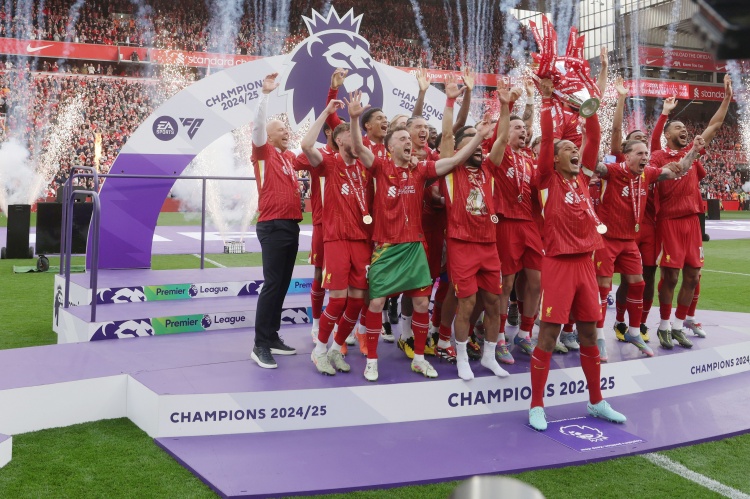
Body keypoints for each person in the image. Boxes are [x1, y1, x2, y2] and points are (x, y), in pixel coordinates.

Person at [348, 90, 492, 382]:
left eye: (408, 139)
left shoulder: (421, 170)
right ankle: (372, 360)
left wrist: (478, 137)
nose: (407, 142)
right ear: (390, 147)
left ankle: (419, 359)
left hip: (415, 247)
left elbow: (454, 160)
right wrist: (353, 119)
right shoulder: (380, 167)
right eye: (401, 138)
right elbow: (359, 149)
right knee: (376, 303)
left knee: (422, 304)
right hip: (386, 248)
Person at [529, 78, 626, 431]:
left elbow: (594, 138)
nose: (575, 151)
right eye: (567, 148)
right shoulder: (545, 179)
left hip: (586, 263)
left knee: (589, 334)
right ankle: (536, 405)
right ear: (555, 158)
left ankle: (596, 401)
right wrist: (545, 103)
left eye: (575, 148)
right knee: (548, 336)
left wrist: (590, 109)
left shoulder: (583, 178)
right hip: (557, 265)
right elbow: (545, 145)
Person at [592, 137, 704, 359]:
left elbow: (679, 170)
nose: (645, 157)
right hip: (607, 239)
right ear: (627, 156)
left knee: (639, 284)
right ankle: (599, 337)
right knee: (603, 287)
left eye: (646, 154)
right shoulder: (612, 171)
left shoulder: (648, 174)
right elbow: (593, 165)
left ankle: (634, 332)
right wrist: (590, 136)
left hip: (629, 240)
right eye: (640, 153)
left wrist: (694, 151)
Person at [441, 83, 512, 380]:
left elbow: (502, 139)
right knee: (467, 303)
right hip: (462, 244)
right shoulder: (451, 169)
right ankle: (461, 358)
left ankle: (489, 356)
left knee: (493, 302)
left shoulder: (489, 170)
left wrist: (505, 106)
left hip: (488, 245)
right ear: (461, 148)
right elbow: (447, 136)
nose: (479, 145)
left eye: (481, 141)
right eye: (472, 141)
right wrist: (450, 101)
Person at [301, 99, 373, 376]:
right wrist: (326, 112)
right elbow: (306, 145)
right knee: (338, 299)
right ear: (338, 140)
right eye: (351, 135)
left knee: (357, 300)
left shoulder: (366, 166)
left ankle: (335, 348)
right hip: (337, 239)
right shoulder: (329, 164)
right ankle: (319, 351)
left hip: (362, 240)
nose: (357, 139)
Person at [250, 73, 301, 369]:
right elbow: (258, 127)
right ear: (268, 137)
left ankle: (271, 336)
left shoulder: (290, 157)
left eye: (286, 128)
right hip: (272, 224)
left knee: (282, 284)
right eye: (280, 129)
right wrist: (265, 95)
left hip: (291, 225)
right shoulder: (263, 152)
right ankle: (259, 344)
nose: (286, 132)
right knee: (272, 284)